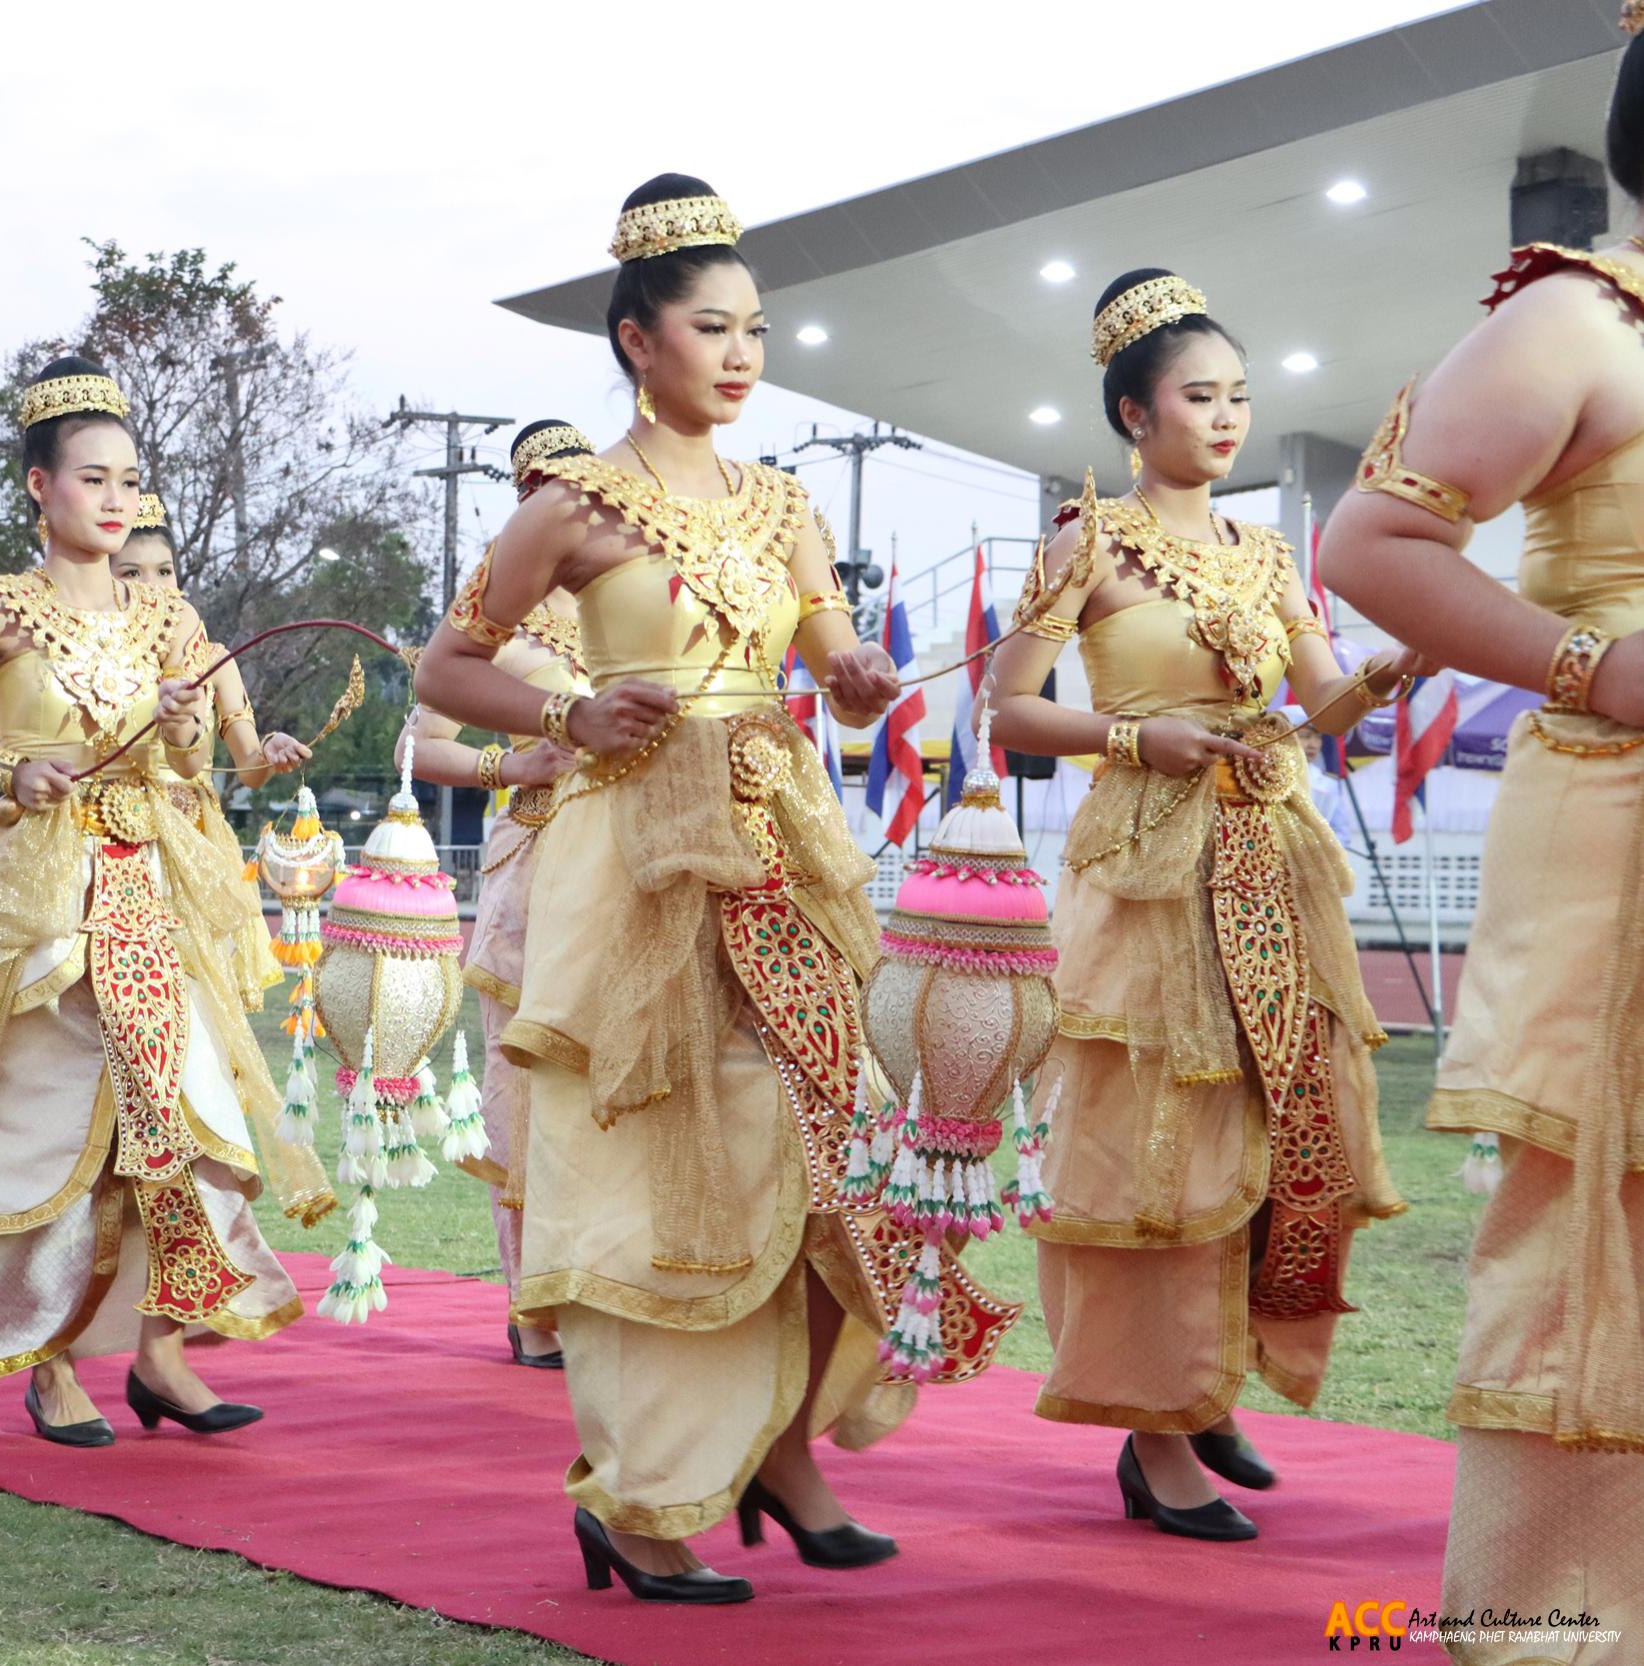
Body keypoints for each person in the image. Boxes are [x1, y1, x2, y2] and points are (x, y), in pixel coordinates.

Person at [415, 175, 1010, 1604]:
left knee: (824, 1131)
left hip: (780, 838)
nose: (743, 353)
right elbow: (448, 670)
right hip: (632, 855)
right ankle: (640, 1494)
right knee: (659, 1154)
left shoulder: (783, 500)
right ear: (637, 340)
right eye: (712, 327)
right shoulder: (574, 508)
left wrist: (859, 674)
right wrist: (565, 719)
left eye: (757, 329)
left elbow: (836, 658)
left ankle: (786, 1451)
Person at [985, 269, 1416, 1543]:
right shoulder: (1090, 541)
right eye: (1198, 396)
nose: (1225, 419)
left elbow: (1319, 700)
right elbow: (1006, 709)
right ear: (1134, 413)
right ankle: (1156, 1432)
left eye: (1238, 397)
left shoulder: (1270, 549)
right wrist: (1133, 736)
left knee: (1283, 1127)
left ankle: (1209, 1376)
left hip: (1271, 863)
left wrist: (1377, 688)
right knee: (1158, 1144)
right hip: (1149, 874)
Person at [1315, 15, 1644, 1649]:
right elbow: (1370, 540)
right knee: (1602, 1228)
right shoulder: (1585, 320)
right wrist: (1599, 663)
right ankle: (1564, 1620)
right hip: (1624, 822)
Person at [0, 357, 332, 1447]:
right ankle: (48, 1362)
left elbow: (191, 753)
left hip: (153, 886)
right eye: (93, 477)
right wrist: (4, 775)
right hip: (50, 897)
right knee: (52, 1127)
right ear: (40, 486)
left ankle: (161, 1353)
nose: (117, 496)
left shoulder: (166, 610)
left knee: (188, 1111)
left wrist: (194, 728)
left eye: (129, 479)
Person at [397, 419, 592, 1369]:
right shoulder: (493, 611)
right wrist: (513, 761)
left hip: (630, 866)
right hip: (536, 864)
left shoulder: (636, 603)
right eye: (544, 488)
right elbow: (419, 745)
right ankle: (534, 1305)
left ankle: (610, 1285)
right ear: (523, 501)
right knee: (524, 1088)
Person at [112, 489, 308, 983]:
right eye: (131, 572)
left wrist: (271, 749)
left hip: (196, 844)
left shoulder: (215, 658)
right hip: (114, 833)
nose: (153, 585)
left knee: (201, 990)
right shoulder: (99, 659)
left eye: (165, 570)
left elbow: (249, 768)